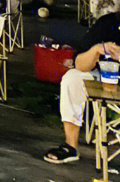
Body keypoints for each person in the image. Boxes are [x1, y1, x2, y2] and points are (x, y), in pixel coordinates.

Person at [44, 13, 120, 164]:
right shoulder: (109, 22)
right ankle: (70, 146)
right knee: (72, 79)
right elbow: (79, 63)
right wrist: (98, 50)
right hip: (105, 78)